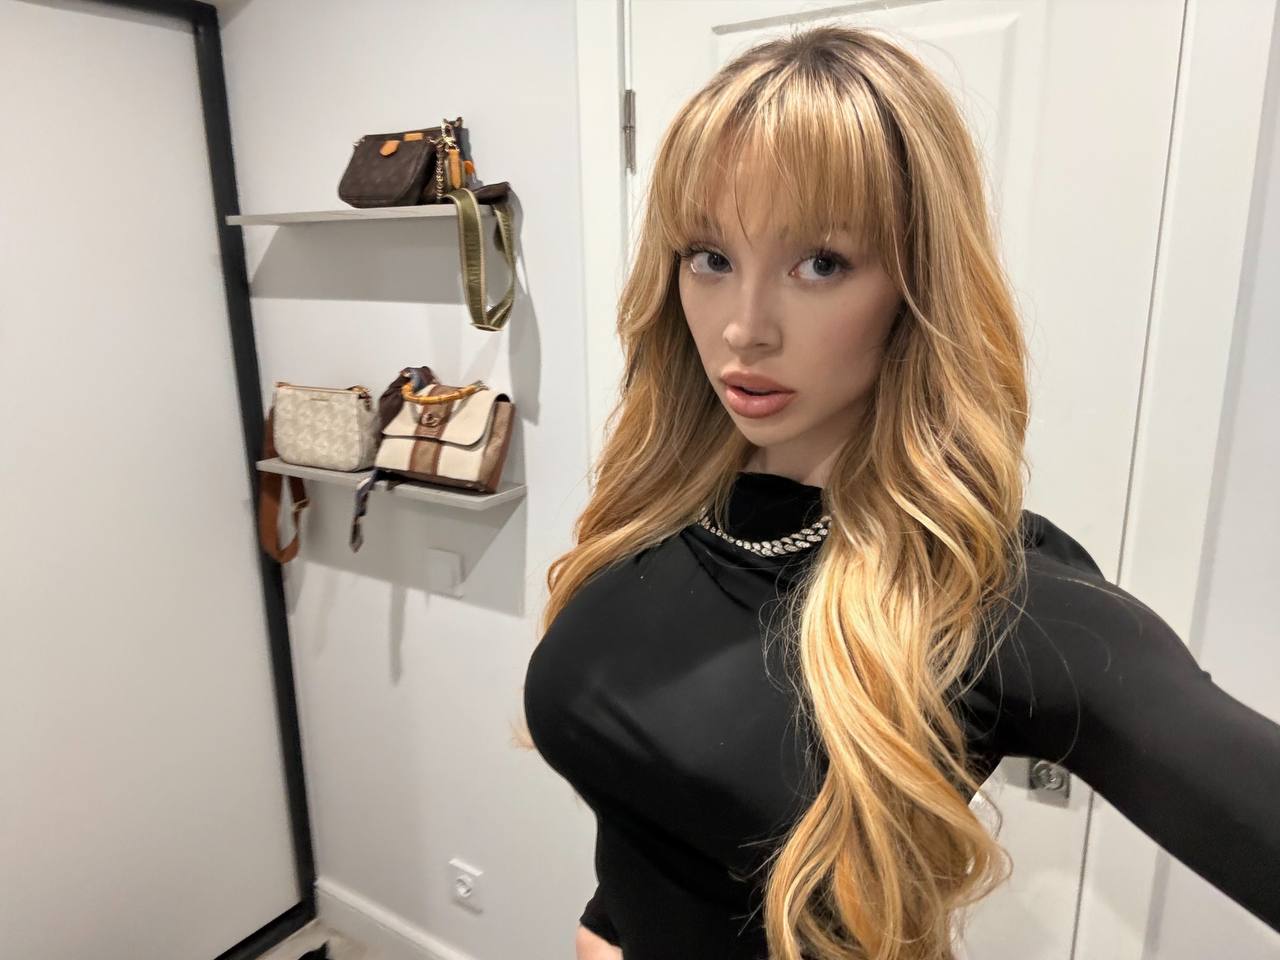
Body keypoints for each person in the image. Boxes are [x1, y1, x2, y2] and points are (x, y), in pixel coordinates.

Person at [517, 23, 1280, 960]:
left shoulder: (987, 595)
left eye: (821, 264)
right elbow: (659, 815)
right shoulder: (661, 507)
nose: (744, 329)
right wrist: (605, 925)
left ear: (918, 284)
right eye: (710, 257)